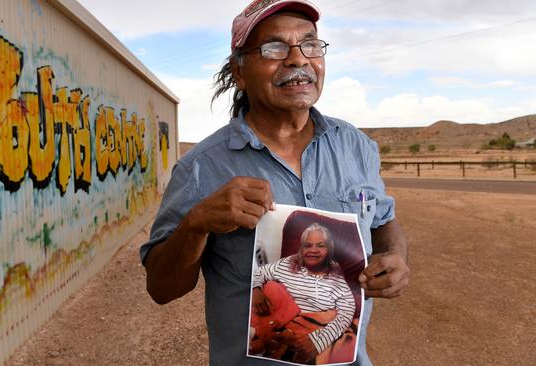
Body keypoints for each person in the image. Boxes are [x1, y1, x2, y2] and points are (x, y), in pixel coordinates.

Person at [139, 0, 410, 365]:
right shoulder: (201, 168)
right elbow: (161, 289)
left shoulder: (356, 147)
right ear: (238, 72)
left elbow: (383, 220)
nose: (298, 59)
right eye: (274, 48)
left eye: (310, 44)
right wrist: (196, 224)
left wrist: (395, 257)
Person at [250, 223, 356, 364]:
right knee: (271, 288)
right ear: (301, 248)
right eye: (307, 245)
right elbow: (261, 272)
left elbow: (347, 312)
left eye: (320, 245)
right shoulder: (289, 263)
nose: (313, 250)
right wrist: (256, 289)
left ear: (330, 248)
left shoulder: (336, 277)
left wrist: (318, 343)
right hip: (276, 325)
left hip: (310, 330)